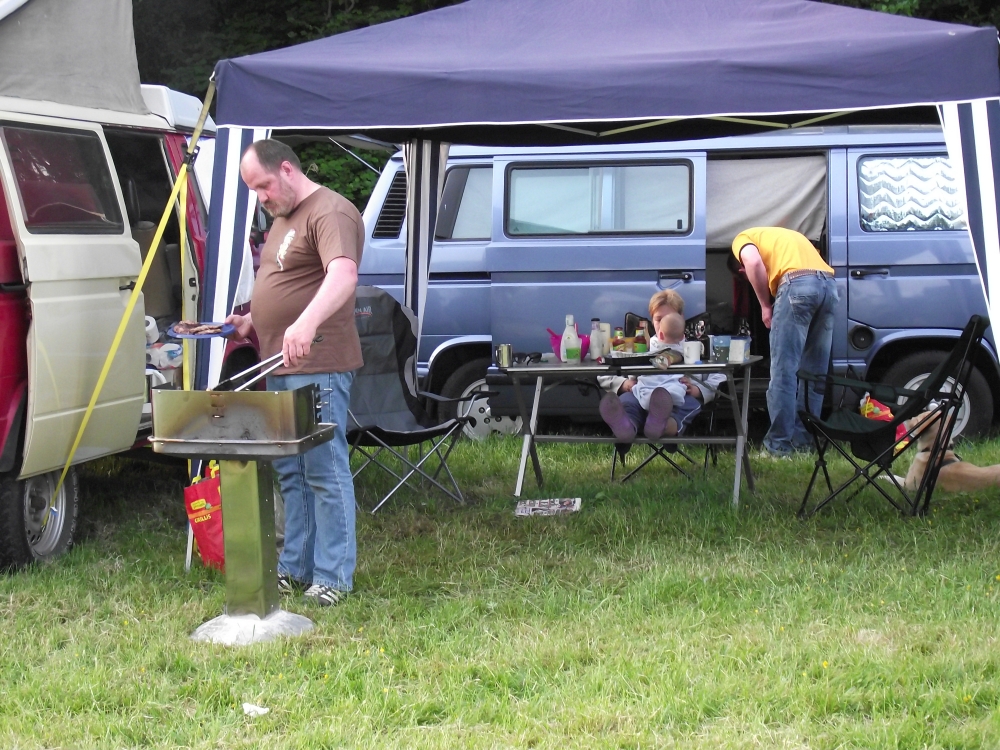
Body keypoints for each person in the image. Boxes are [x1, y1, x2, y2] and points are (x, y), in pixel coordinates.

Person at [226, 139, 363, 606]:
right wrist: (252, 319)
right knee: (292, 470)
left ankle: (334, 577)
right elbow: (289, 282)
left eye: (262, 185)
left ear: (287, 169)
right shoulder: (284, 216)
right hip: (280, 362)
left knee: (323, 469)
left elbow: (342, 275)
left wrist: (305, 323)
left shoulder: (331, 211)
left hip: (319, 363)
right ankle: (296, 567)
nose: (260, 197)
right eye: (253, 190)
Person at [731, 226, 837, 457]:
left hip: (797, 285)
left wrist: (764, 305)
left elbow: (754, 262)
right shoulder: (787, 236)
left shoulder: (742, 238)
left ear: (740, 267)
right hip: (829, 286)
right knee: (814, 374)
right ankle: (804, 443)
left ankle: (778, 447)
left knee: (784, 371)